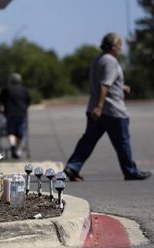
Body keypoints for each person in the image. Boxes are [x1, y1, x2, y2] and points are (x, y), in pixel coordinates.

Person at [64, 32, 151, 181]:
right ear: (112, 47)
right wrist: (100, 107)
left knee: (88, 140)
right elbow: (104, 85)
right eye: (119, 46)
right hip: (111, 111)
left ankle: (72, 167)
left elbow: (106, 82)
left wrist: (120, 87)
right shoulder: (111, 61)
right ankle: (130, 171)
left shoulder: (98, 59)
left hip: (96, 109)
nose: (120, 49)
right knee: (122, 142)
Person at [0, 73, 31, 159]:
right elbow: (28, 101)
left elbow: (0, 100)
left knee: (11, 132)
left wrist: (1, 108)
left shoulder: (6, 89)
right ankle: (17, 149)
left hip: (9, 114)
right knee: (20, 133)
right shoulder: (24, 89)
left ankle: (13, 147)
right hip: (21, 114)